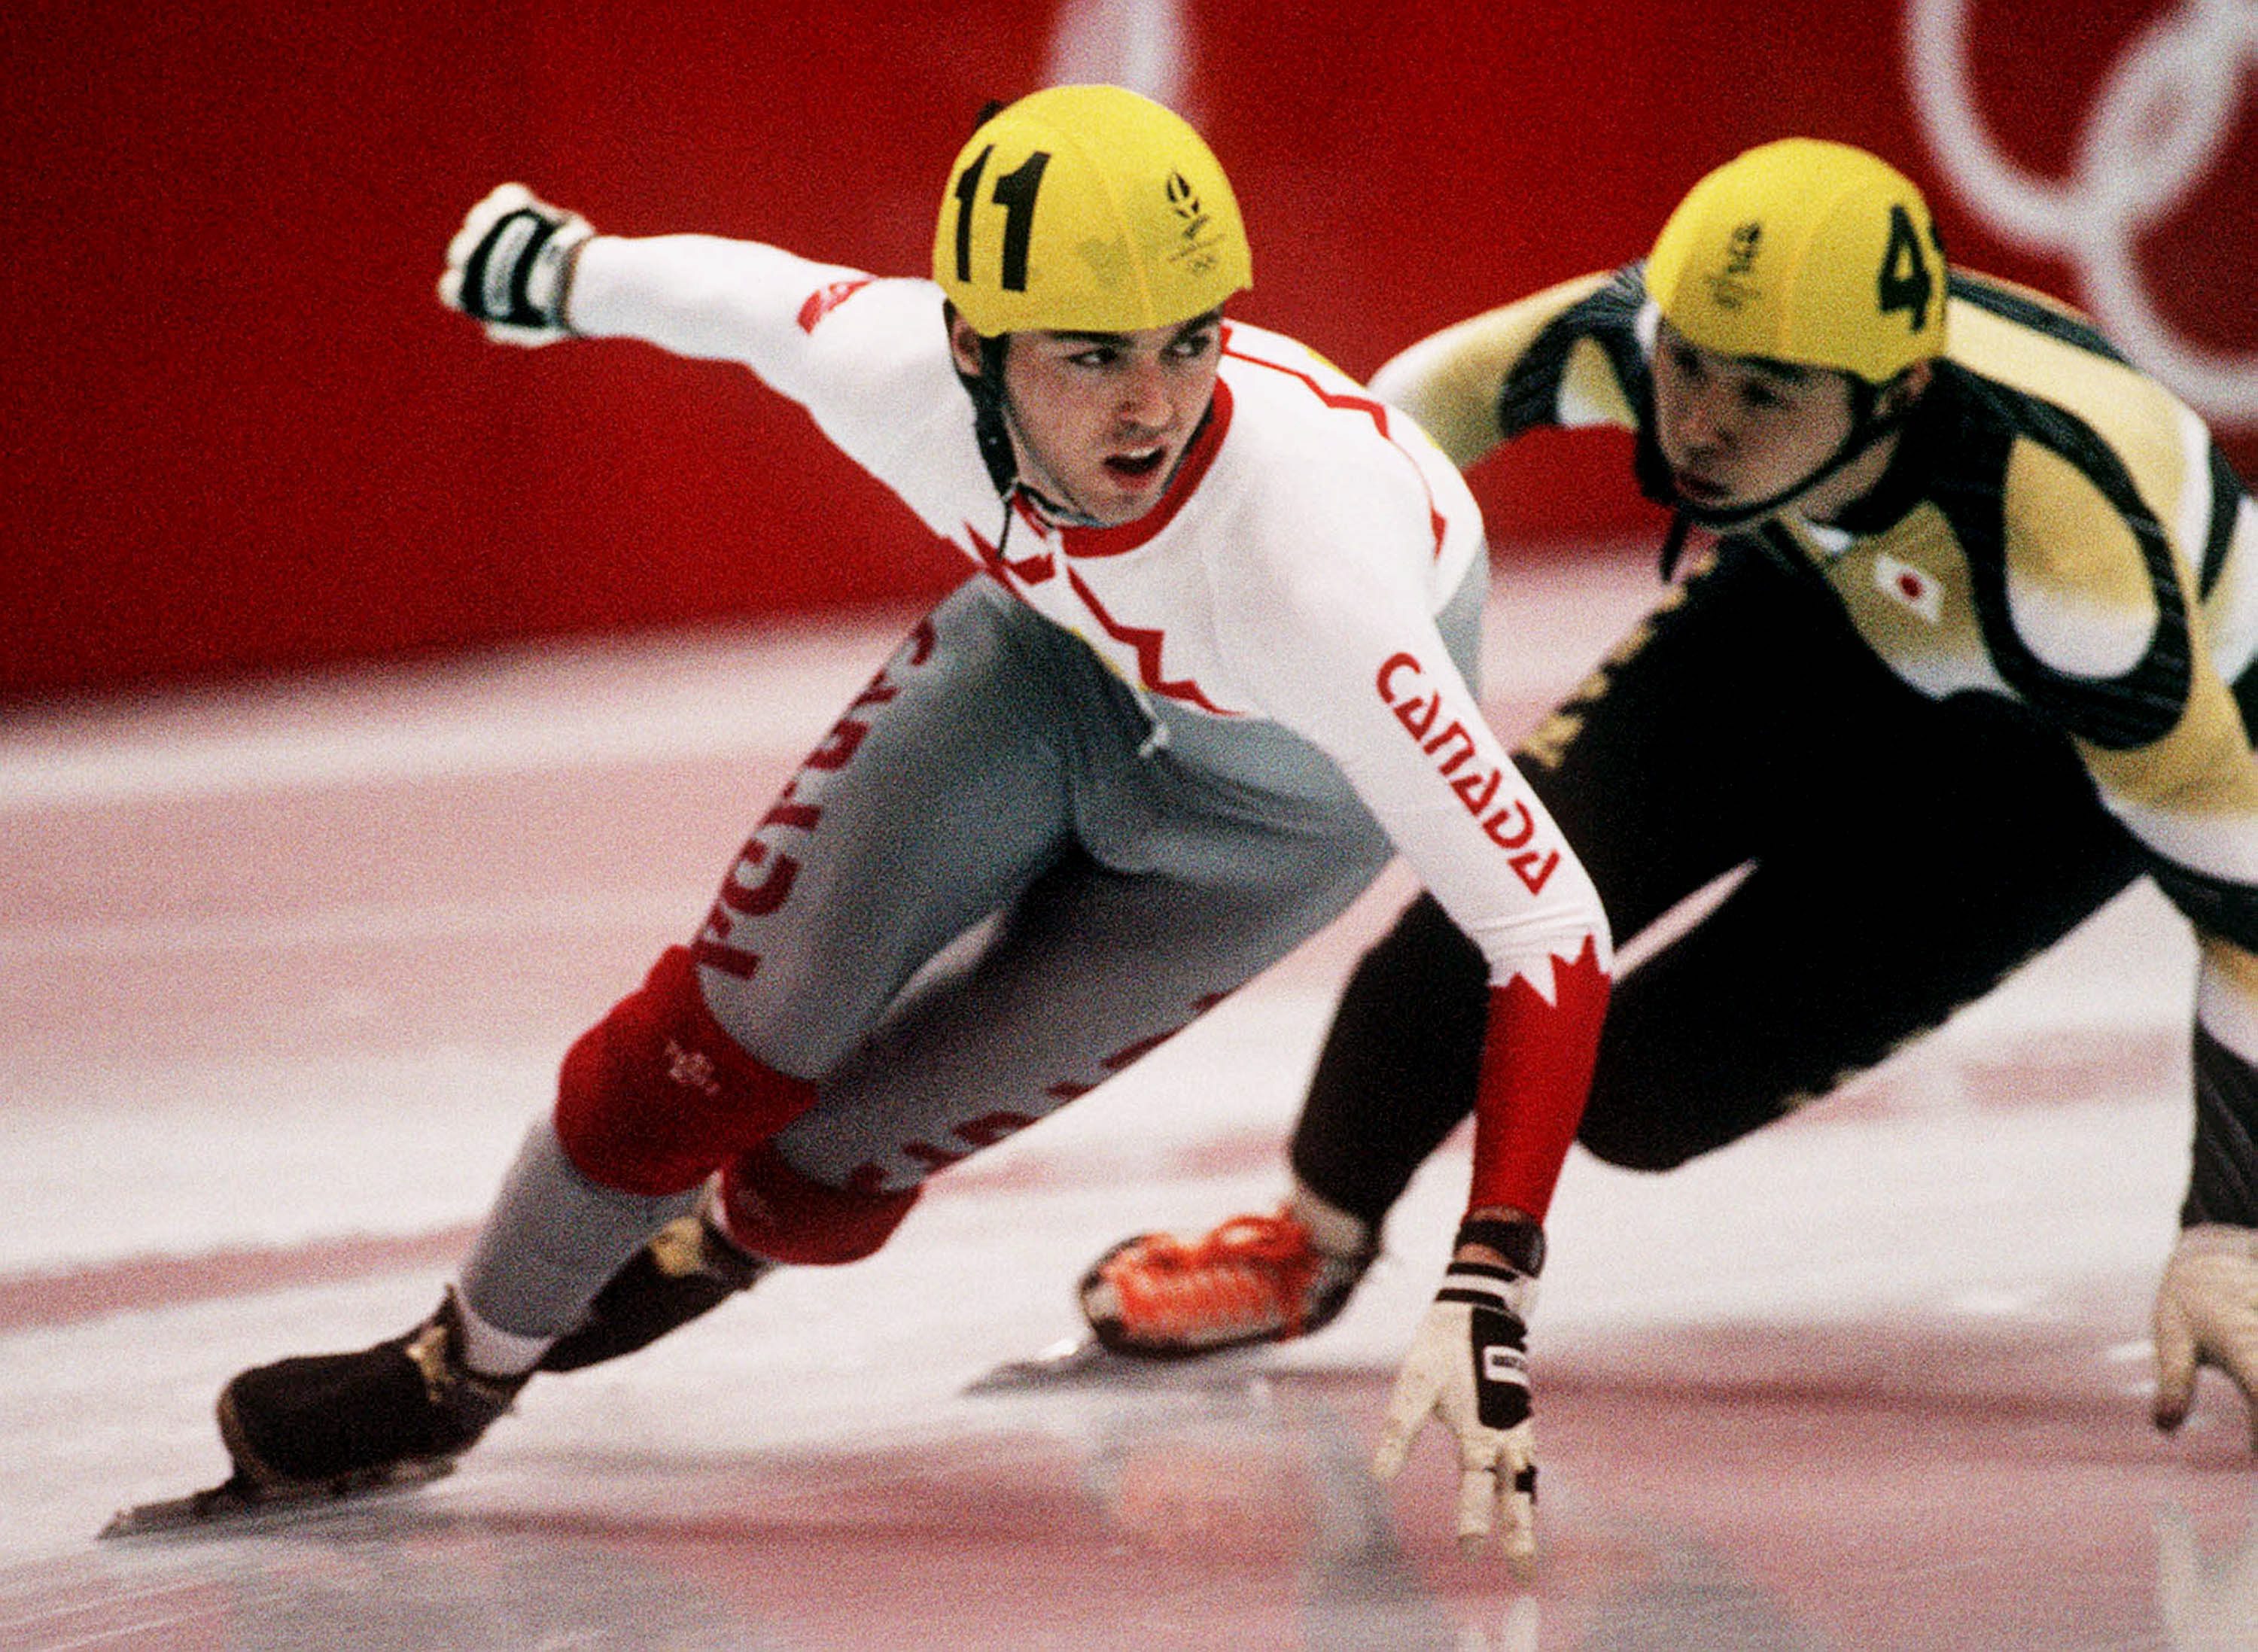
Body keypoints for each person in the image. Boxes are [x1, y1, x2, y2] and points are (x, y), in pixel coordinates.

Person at [207, 86, 1613, 1559]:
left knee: (832, 1165)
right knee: (722, 1042)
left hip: (1271, 830)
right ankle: (456, 1370)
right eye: (1092, 355)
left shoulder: (1313, 576)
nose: (1154, 406)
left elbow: (1547, 924)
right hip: (1051, 665)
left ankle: (716, 1247)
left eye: (1189, 341)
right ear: (968, 347)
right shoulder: (890, 371)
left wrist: (1489, 1277)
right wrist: (561, 271)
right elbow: (743, 301)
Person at [1076, 136, 2258, 1447]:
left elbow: (2249, 912)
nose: (1698, 426)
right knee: (1476, 931)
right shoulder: (1647, 334)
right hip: (1825, 602)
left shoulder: (2080, 575)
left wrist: (2229, 1224)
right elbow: (1395, 420)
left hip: (2047, 754)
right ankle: (1311, 1242)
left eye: (1763, 393)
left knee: (1645, 1101)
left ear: (1899, 394)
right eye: (1687, 367)